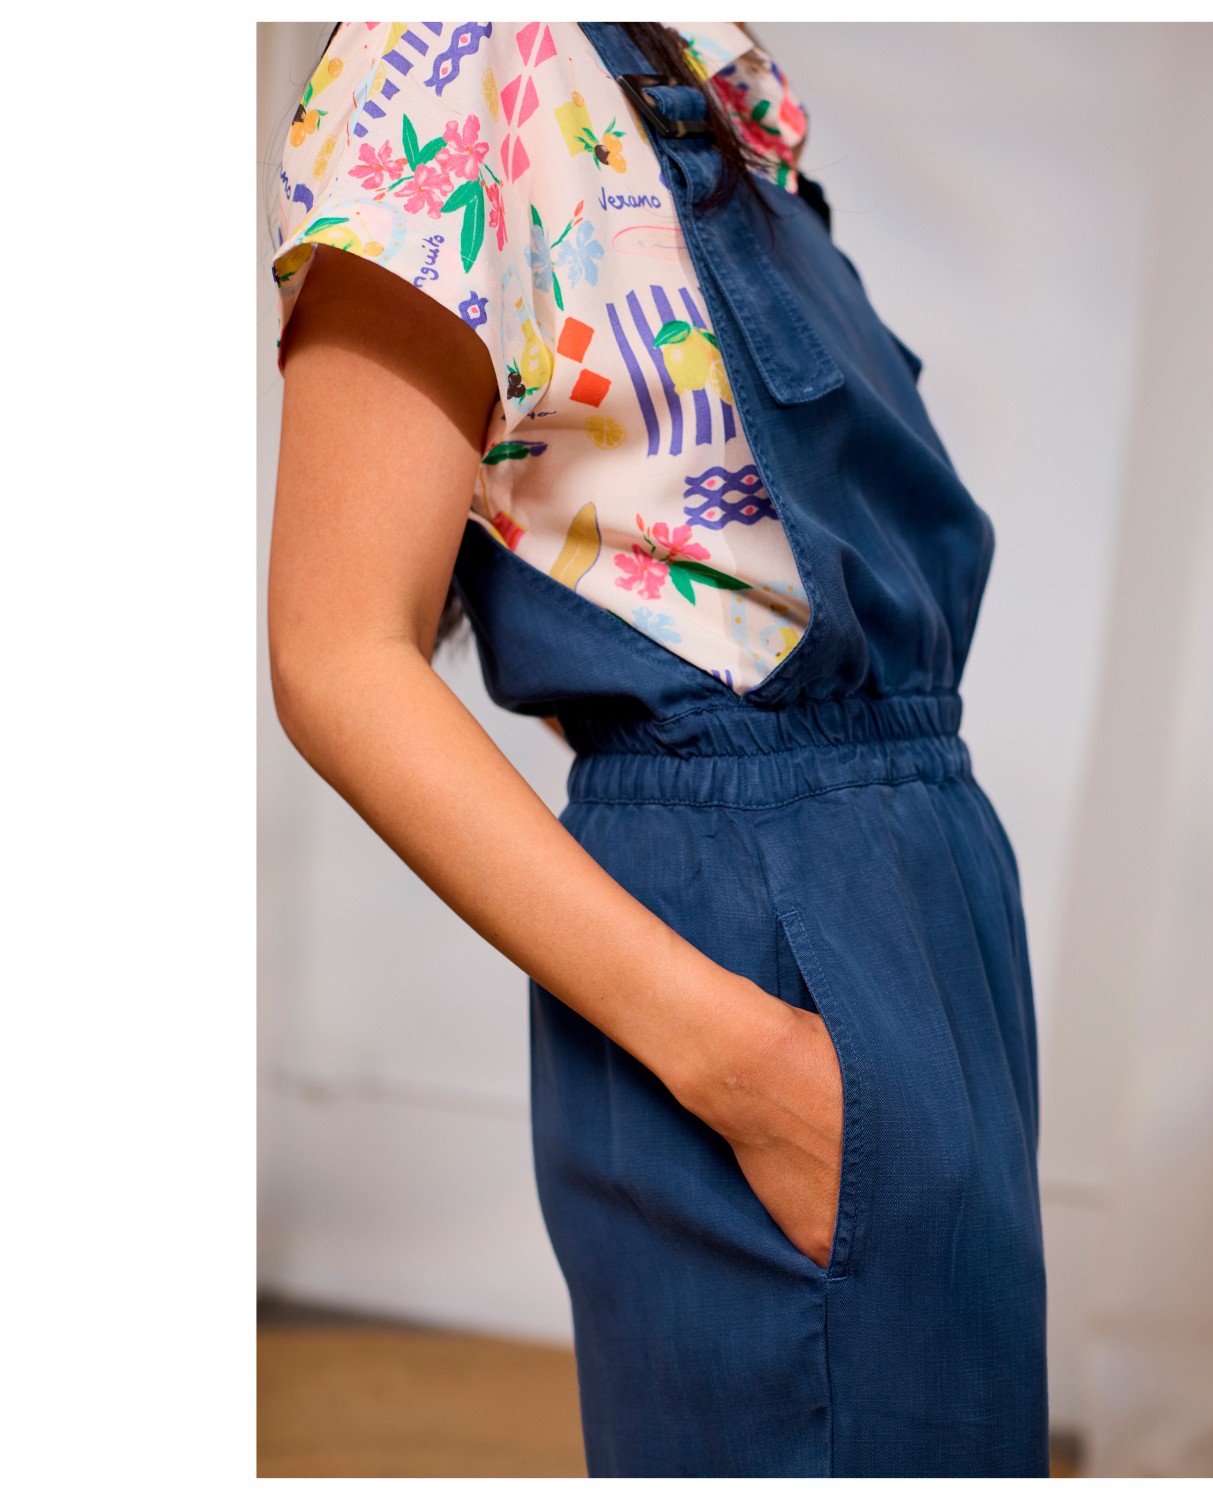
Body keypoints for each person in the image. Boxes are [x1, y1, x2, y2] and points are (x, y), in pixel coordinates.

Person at [267, 20, 1047, 1479]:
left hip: (927, 877)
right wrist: (746, 1066)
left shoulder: (704, 74)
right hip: (768, 929)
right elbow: (336, 652)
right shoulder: (452, 48)